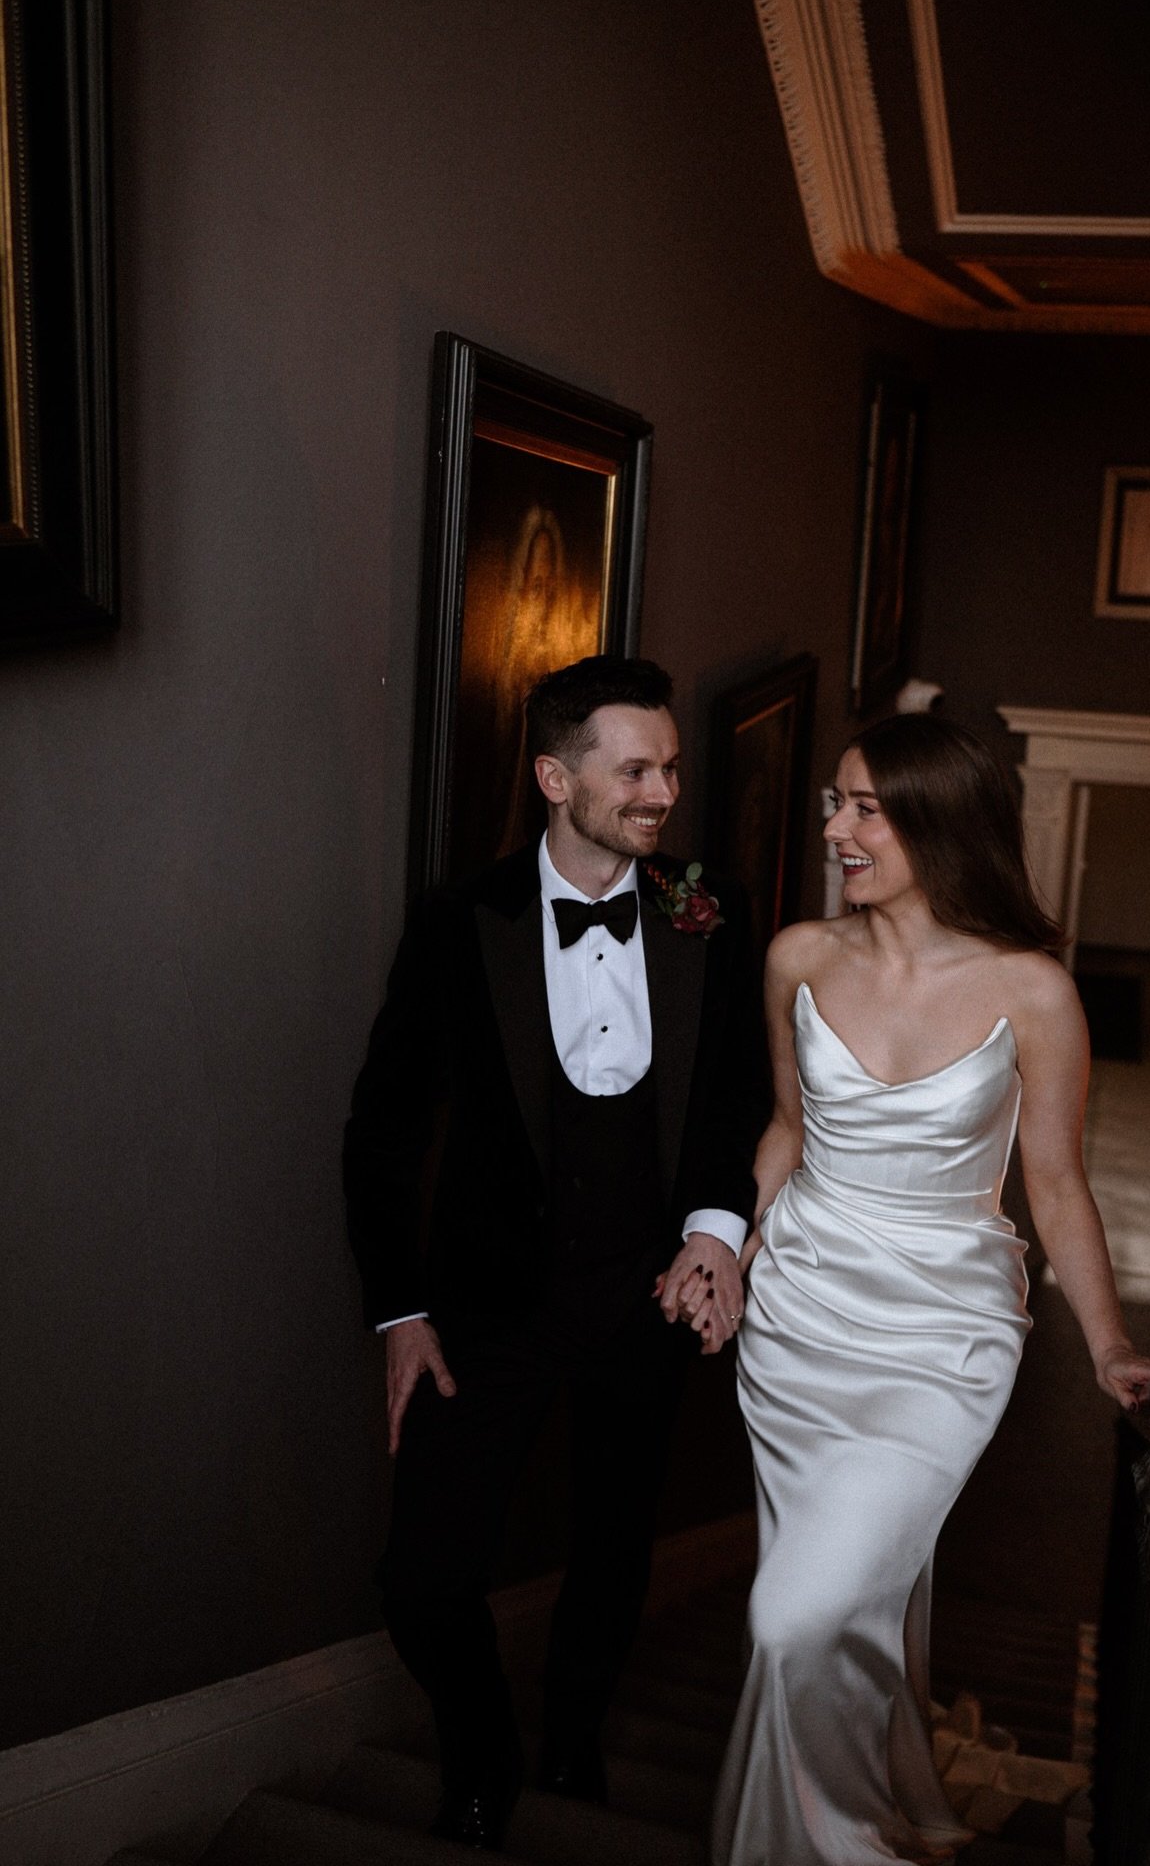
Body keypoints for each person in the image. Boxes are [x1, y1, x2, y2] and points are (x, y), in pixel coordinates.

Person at [694, 712, 1150, 1866]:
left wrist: (1107, 1346)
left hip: (945, 1336)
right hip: (797, 1321)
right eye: (835, 803)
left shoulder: (1033, 992)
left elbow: (1055, 1183)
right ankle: (858, 1807)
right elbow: (787, 1131)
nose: (835, 830)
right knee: (847, 1600)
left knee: (792, 1614)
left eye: (865, 809)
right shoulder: (798, 957)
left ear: (940, 823)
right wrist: (727, 1255)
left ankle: (842, 1847)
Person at [343, 655, 765, 1849]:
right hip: (490, 1308)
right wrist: (400, 1313)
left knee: (615, 1546)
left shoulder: (710, 908)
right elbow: (383, 1130)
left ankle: (575, 1740)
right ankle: (483, 1758)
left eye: (669, 768)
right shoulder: (457, 922)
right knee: (422, 1577)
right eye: (634, 771)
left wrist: (714, 1235)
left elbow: (738, 1097)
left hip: (648, 1296)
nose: (663, 793)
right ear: (554, 777)